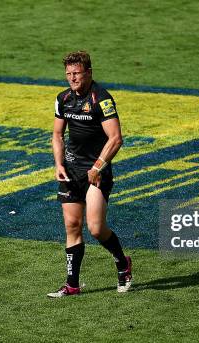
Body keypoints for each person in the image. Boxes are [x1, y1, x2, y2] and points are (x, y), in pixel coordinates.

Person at [47, 51, 132, 298]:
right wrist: (58, 164)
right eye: (69, 74)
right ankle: (72, 284)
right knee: (72, 225)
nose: (72, 78)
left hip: (96, 172)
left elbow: (116, 138)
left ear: (89, 73)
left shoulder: (101, 100)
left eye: (77, 73)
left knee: (95, 228)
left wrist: (97, 167)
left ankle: (122, 263)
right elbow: (56, 134)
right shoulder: (63, 99)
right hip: (71, 171)